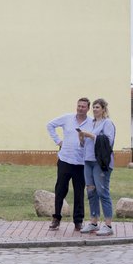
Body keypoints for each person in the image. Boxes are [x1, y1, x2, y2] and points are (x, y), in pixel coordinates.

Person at [46, 97, 91, 231]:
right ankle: (56, 218)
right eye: (78, 106)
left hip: (81, 162)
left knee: (79, 192)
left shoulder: (91, 123)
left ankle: (78, 221)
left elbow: (93, 138)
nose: (80, 108)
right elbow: (50, 125)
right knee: (60, 189)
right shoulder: (67, 118)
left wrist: (84, 143)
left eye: (83, 106)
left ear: (88, 109)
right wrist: (59, 142)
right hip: (65, 159)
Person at [78, 98, 116, 236]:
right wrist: (82, 138)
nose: (94, 109)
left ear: (104, 109)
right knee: (91, 192)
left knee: (102, 191)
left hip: (101, 163)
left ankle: (108, 225)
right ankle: (93, 222)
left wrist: (91, 135)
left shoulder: (108, 123)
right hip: (88, 161)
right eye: (93, 107)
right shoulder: (91, 123)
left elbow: (107, 141)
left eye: (97, 107)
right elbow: (85, 145)